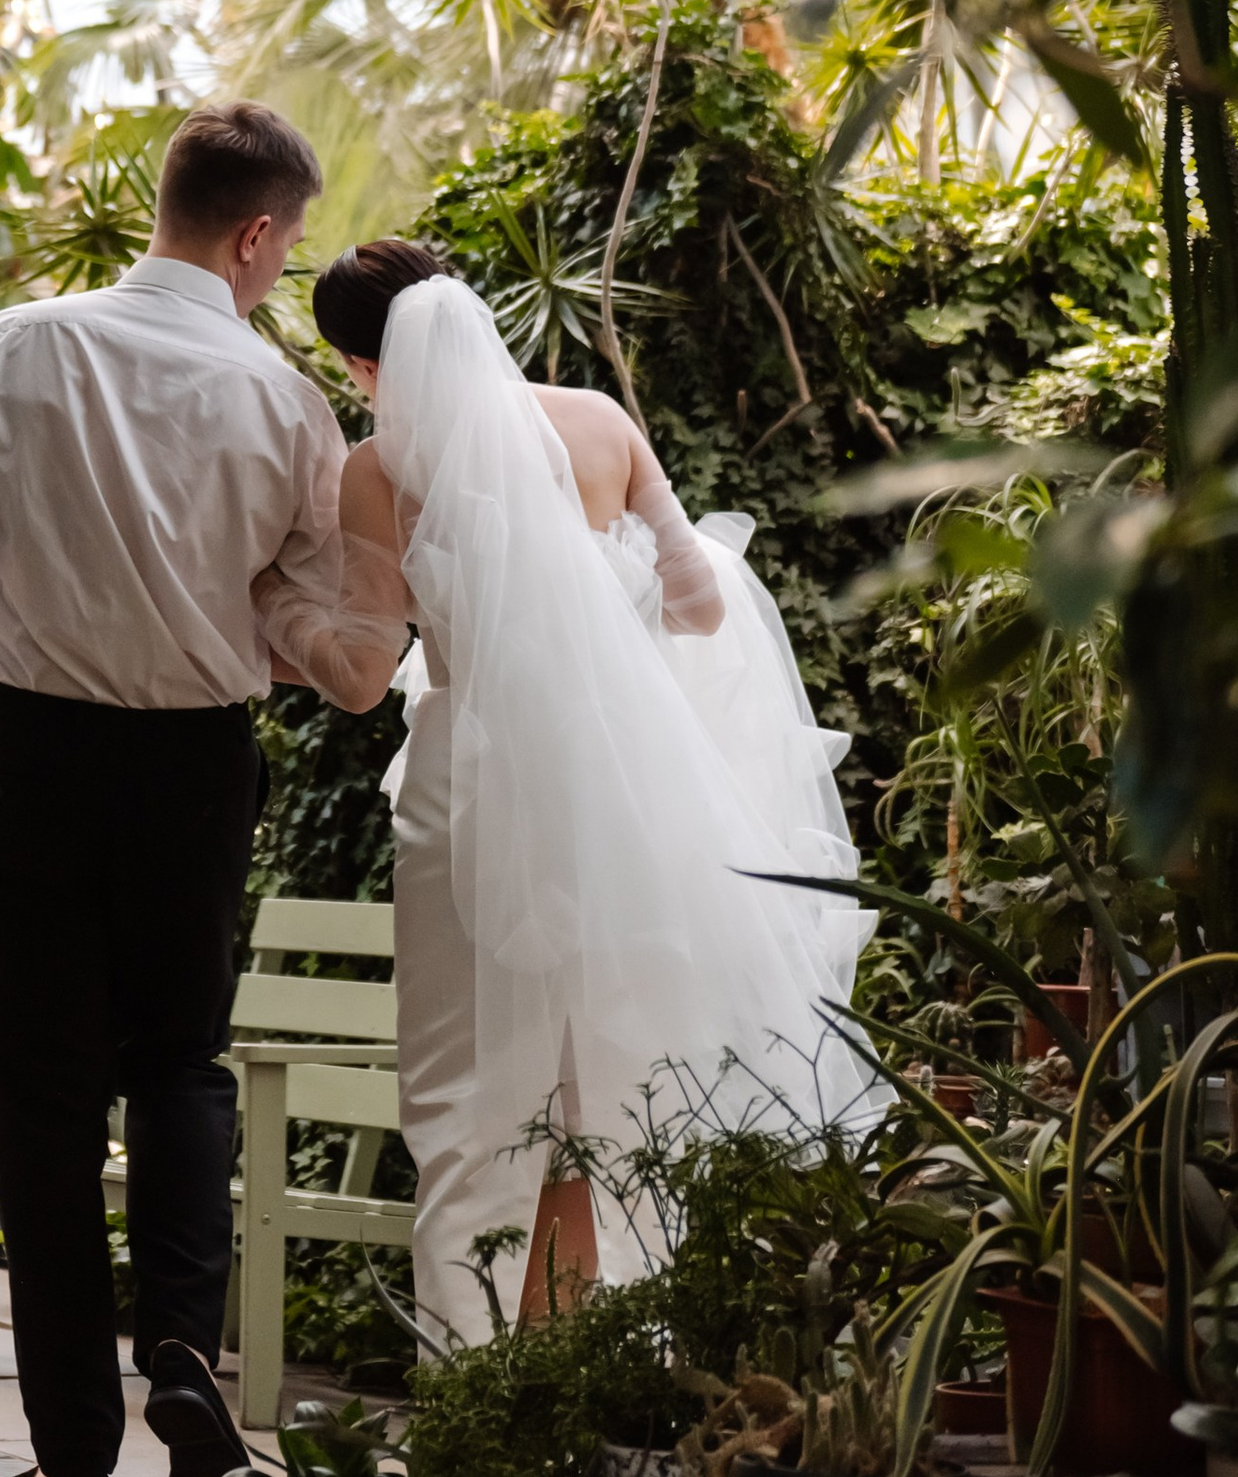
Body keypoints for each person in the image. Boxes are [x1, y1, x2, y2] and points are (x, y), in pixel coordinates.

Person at [0, 104, 405, 1477]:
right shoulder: (285, 400)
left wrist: (33, 585)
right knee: (182, 1062)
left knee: (42, 1105)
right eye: (286, 246)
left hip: (35, 753)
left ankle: (72, 1469)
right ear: (254, 234)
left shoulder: (16, 344)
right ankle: (181, 1343)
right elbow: (298, 607)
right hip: (196, 767)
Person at [305, 238, 873, 1349]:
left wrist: (278, 625)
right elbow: (702, 606)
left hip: (467, 793)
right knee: (616, 1085)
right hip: (623, 792)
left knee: (467, 1101)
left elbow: (364, 670)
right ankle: (623, 1389)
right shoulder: (602, 422)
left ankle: (469, 1378)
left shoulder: (379, 470)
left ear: (365, 363)